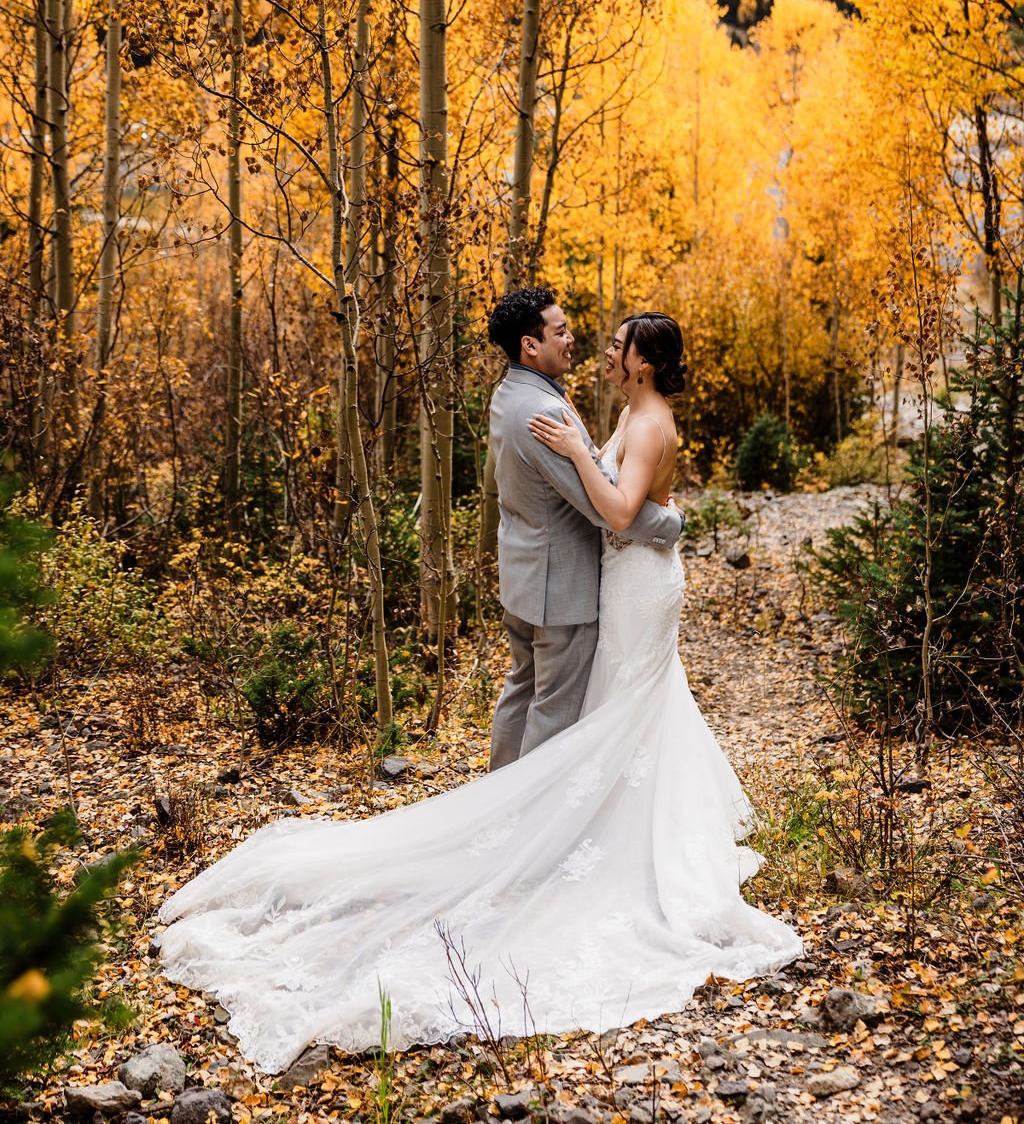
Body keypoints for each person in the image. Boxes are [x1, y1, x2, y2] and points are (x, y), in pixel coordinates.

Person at [158, 310, 802, 1073]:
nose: (597, 345)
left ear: (644, 363)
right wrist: (640, 500)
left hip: (634, 586)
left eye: (615, 343)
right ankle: (543, 825)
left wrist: (635, 496)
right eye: (579, 334)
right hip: (613, 577)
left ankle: (576, 833)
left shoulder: (640, 417)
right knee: (616, 710)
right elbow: (624, 507)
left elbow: (620, 509)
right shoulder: (610, 407)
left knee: (626, 710)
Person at [486, 287, 683, 769]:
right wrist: (672, 523)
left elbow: (596, 482)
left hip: (525, 574)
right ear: (530, 345)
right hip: (560, 588)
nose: (575, 340)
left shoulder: (510, 392)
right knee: (553, 711)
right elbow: (607, 510)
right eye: (561, 331)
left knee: (522, 691)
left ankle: (497, 801)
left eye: (618, 345)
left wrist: (585, 452)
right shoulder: (547, 411)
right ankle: (524, 820)